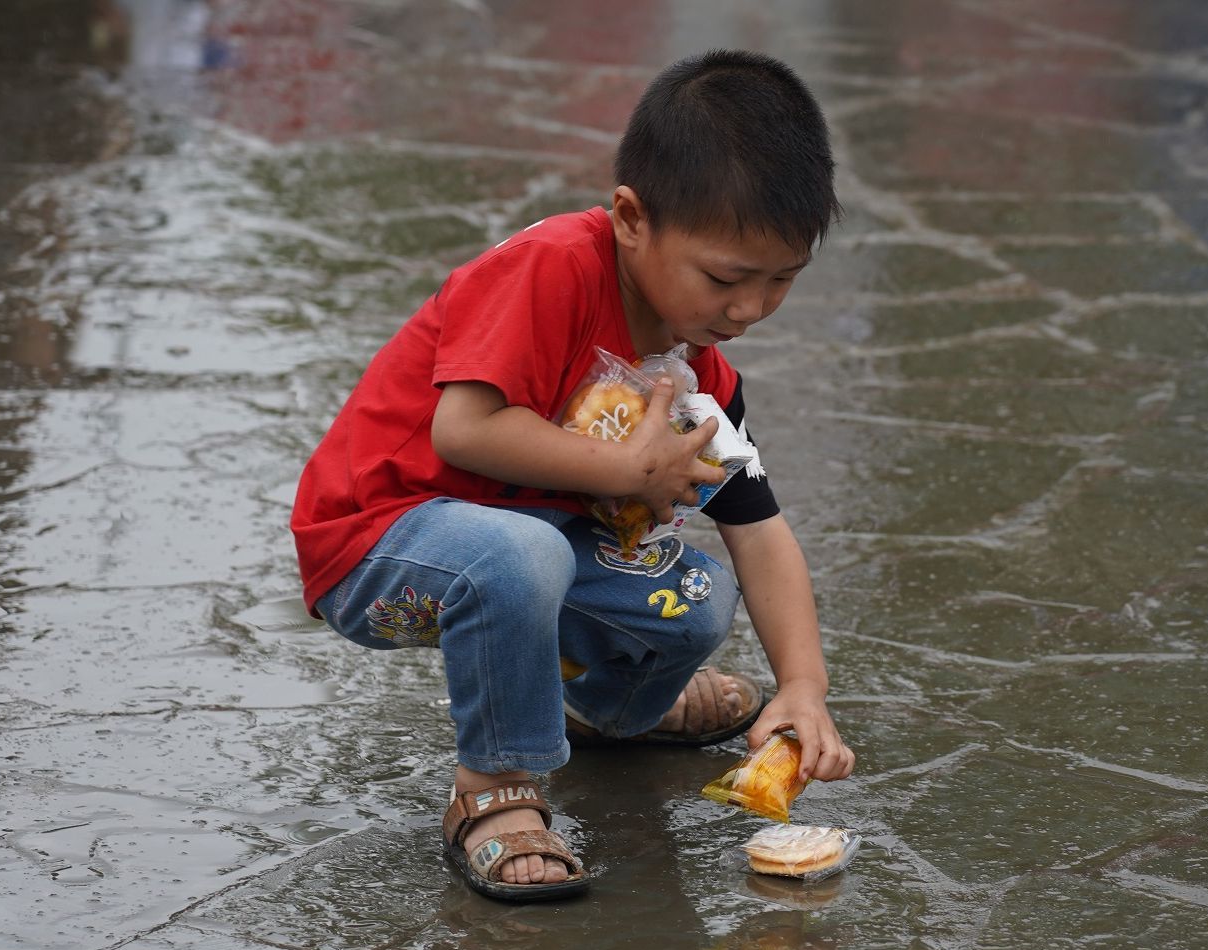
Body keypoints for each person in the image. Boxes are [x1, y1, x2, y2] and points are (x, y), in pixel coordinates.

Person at [291, 48, 856, 903]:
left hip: (524, 551)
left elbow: (759, 529)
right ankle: (493, 790)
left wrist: (804, 689)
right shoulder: (552, 268)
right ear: (632, 217)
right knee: (524, 555)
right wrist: (630, 466)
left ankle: (599, 710)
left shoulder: (699, 371)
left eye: (782, 280)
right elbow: (466, 428)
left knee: (696, 595)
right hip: (380, 544)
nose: (748, 309)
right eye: (727, 278)